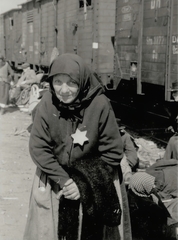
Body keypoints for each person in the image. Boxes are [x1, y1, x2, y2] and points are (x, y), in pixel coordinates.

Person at [23, 53, 132, 240]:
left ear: (82, 81)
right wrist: (65, 182)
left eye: (71, 83)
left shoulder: (100, 104)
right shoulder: (47, 103)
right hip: (56, 179)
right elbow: (38, 147)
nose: (64, 90)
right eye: (58, 82)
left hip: (96, 178)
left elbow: (113, 151)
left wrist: (81, 184)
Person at [128, 171, 178, 240]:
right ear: (142, 186)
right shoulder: (149, 208)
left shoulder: (146, 194)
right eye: (150, 184)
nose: (154, 186)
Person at [164, 81, 178, 160]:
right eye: (173, 92)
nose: (173, 95)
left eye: (175, 92)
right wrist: (171, 125)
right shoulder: (175, 105)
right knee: (172, 141)